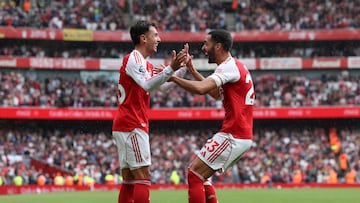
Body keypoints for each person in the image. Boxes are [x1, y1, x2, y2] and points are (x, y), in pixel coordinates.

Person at [170, 29, 255, 203]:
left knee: (194, 174)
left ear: (218, 46)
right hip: (239, 134)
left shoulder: (228, 67)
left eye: (206, 43)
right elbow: (216, 93)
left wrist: (171, 77)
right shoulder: (235, 65)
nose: (203, 48)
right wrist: (192, 70)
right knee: (203, 178)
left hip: (234, 134)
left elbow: (201, 89)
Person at [112, 20, 188, 203]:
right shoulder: (134, 58)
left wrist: (183, 67)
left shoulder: (144, 64)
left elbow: (162, 87)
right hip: (132, 124)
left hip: (127, 124)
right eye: (155, 35)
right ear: (143, 38)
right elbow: (148, 84)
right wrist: (171, 68)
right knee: (142, 176)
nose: (159, 39)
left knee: (130, 179)